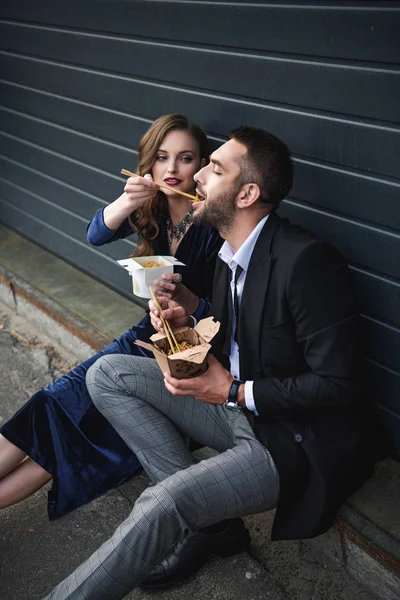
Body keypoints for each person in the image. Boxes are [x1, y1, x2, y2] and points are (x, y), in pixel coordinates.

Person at [42, 126, 375, 599]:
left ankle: (183, 514)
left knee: (162, 503)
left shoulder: (307, 260)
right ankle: (214, 526)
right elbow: (239, 330)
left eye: (214, 168)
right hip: (234, 409)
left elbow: (341, 385)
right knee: (108, 373)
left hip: (287, 439)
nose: (196, 175)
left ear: (248, 194)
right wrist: (187, 312)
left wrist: (234, 392)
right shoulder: (226, 253)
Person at [0, 114, 222, 520]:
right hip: (144, 334)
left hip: (188, 351)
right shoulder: (151, 206)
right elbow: (95, 234)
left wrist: (187, 304)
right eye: (161, 158)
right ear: (149, 164)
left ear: (202, 165)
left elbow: (226, 314)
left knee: (69, 435)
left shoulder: (213, 222)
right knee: (52, 406)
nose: (171, 170)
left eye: (185, 159)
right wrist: (126, 200)